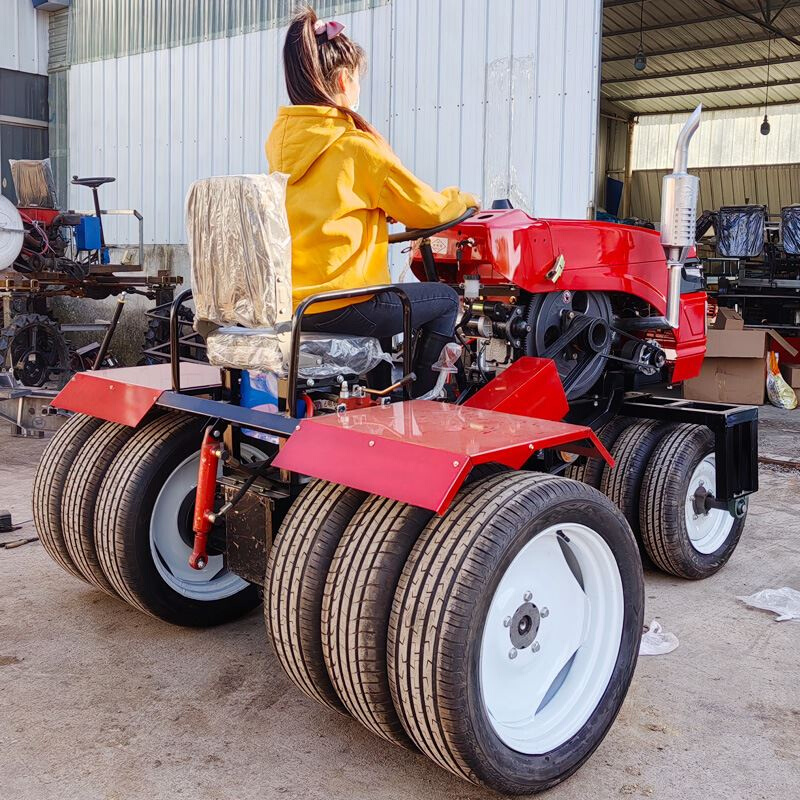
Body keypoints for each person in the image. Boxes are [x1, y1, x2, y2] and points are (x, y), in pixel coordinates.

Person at [266, 7, 479, 394]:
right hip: (343, 304)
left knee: (386, 310)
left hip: (296, 305)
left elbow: (327, 213)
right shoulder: (356, 148)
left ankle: (377, 396)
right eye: (358, 81)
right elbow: (428, 210)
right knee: (446, 300)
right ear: (345, 80)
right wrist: (463, 199)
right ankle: (422, 401)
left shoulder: (282, 149)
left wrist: (379, 215)